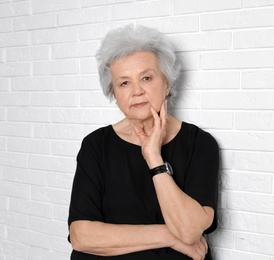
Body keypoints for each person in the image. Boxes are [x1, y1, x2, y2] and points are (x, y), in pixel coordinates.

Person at [67, 24, 219, 260]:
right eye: (124, 83)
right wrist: (170, 237)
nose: (136, 91)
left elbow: (189, 231)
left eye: (146, 78)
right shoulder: (96, 146)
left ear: (167, 84)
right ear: (114, 93)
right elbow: (81, 236)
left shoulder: (199, 144)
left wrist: (154, 159)